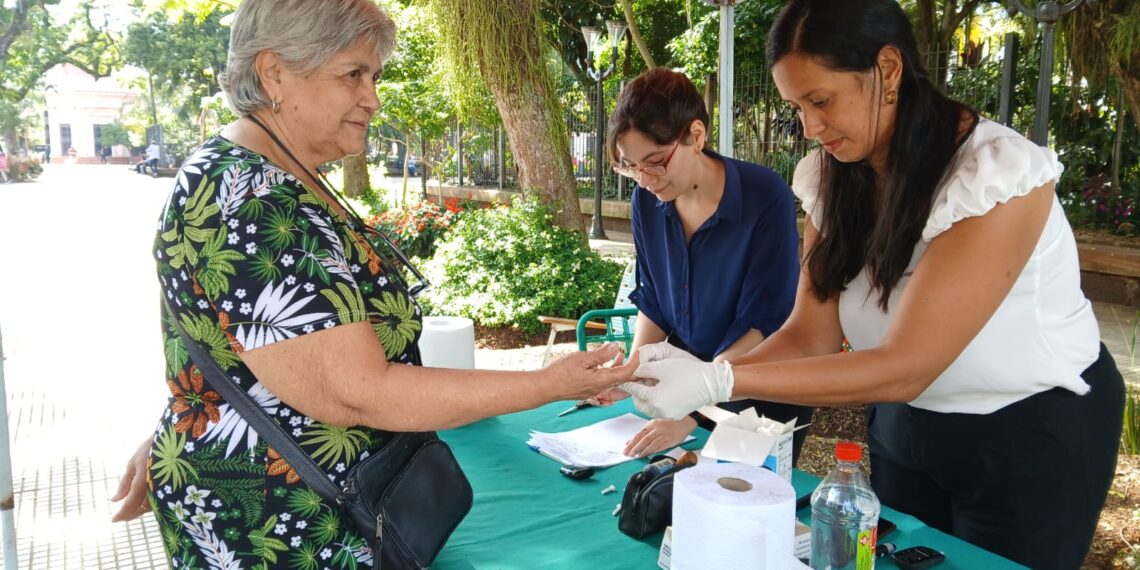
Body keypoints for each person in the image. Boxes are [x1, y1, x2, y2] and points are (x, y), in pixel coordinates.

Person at [108, 1, 634, 567]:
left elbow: (244, 346)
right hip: (282, 529)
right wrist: (545, 384)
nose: (373, 98)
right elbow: (356, 389)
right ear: (274, 73)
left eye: (374, 76)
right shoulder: (255, 199)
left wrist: (195, 415)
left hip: (305, 500)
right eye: (352, 74)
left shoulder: (274, 173)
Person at [620, 1, 1125, 569]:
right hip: (909, 425)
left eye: (820, 100)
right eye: (796, 106)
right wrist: (704, 387)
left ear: (888, 70)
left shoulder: (997, 175)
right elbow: (809, 334)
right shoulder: (833, 178)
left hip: (1031, 435)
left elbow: (909, 361)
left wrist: (718, 378)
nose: (809, 127)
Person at [600, 68, 812, 462]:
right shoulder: (646, 202)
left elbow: (766, 323)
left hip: (756, 394)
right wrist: (630, 374)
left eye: (655, 161)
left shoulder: (765, 197)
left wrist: (695, 411)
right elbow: (655, 303)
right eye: (629, 166)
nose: (644, 179)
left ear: (696, 135)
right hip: (683, 389)